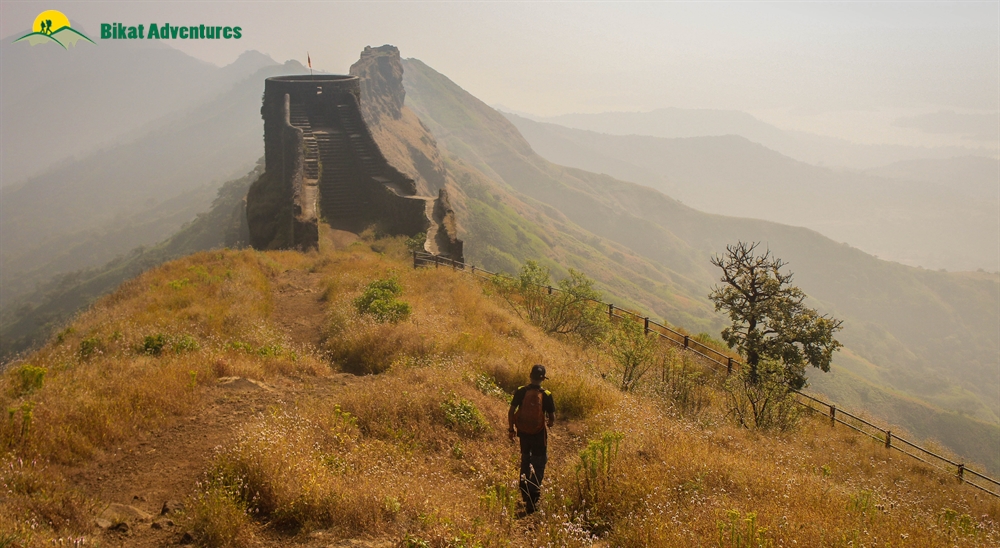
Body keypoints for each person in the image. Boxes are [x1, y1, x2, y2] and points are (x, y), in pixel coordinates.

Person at [508, 364, 555, 515]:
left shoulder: (521, 391)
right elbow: (552, 418)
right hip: (539, 435)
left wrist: (511, 429)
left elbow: (511, 411)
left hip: (523, 434)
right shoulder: (546, 394)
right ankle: (532, 500)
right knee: (538, 464)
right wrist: (549, 422)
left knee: (525, 460)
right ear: (542, 378)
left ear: (530, 376)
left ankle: (524, 491)